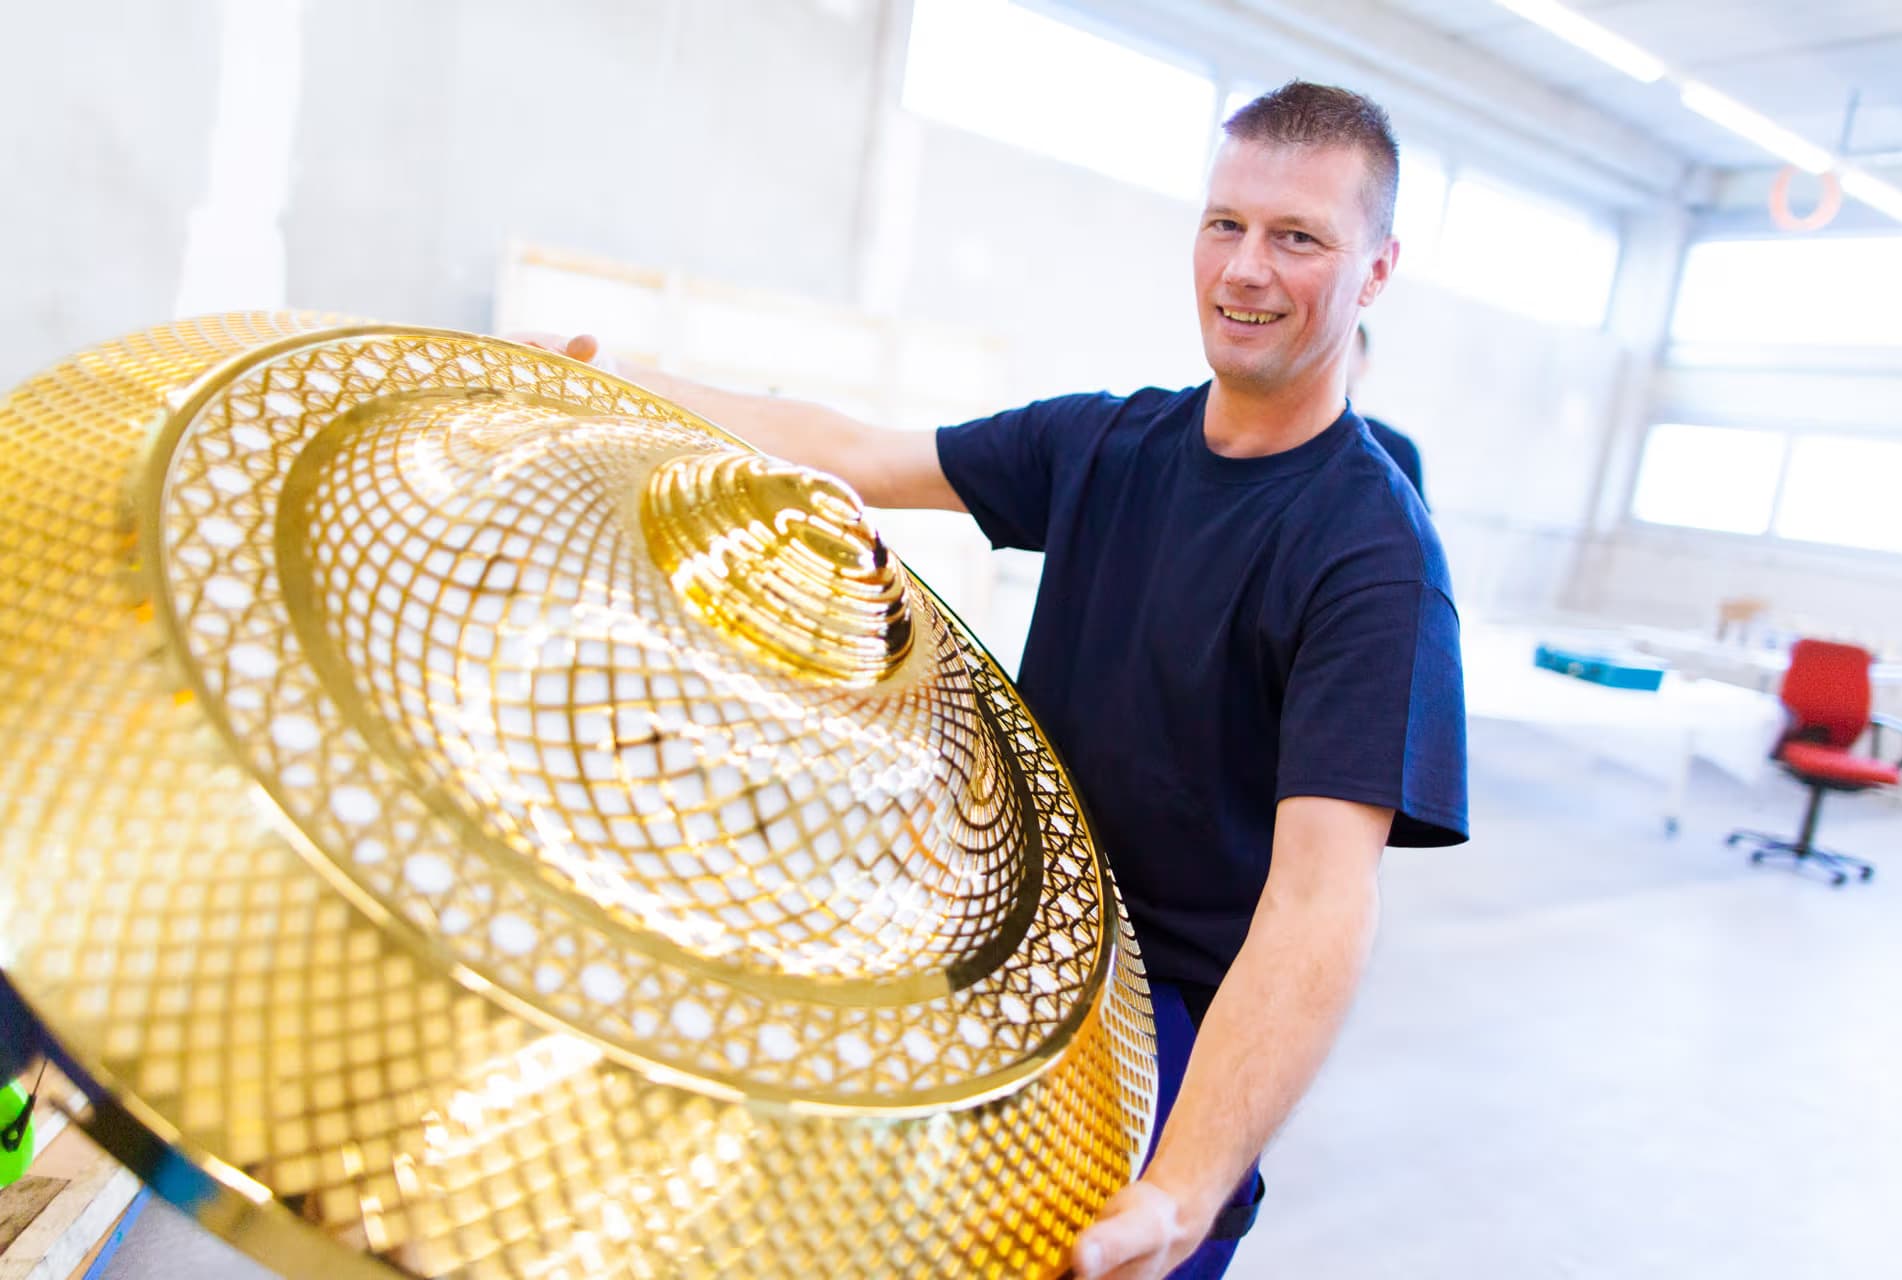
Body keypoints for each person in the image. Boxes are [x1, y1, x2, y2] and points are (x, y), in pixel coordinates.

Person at [522, 80, 1467, 1280]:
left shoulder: (1373, 556)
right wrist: (602, 382)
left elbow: (1319, 907)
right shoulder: (1106, 444)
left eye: (1299, 238)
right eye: (1225, 223)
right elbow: (853, 452)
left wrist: (1177, 1189)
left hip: (1165, 1028)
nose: (1245, 269)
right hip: (1009, 954)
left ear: (1377, 271)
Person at [1348, 321, 1427, 502]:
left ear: (1364, 365)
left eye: (1346, 350)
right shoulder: (1280, 441)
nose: (1332, 357)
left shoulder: (1398, 449)